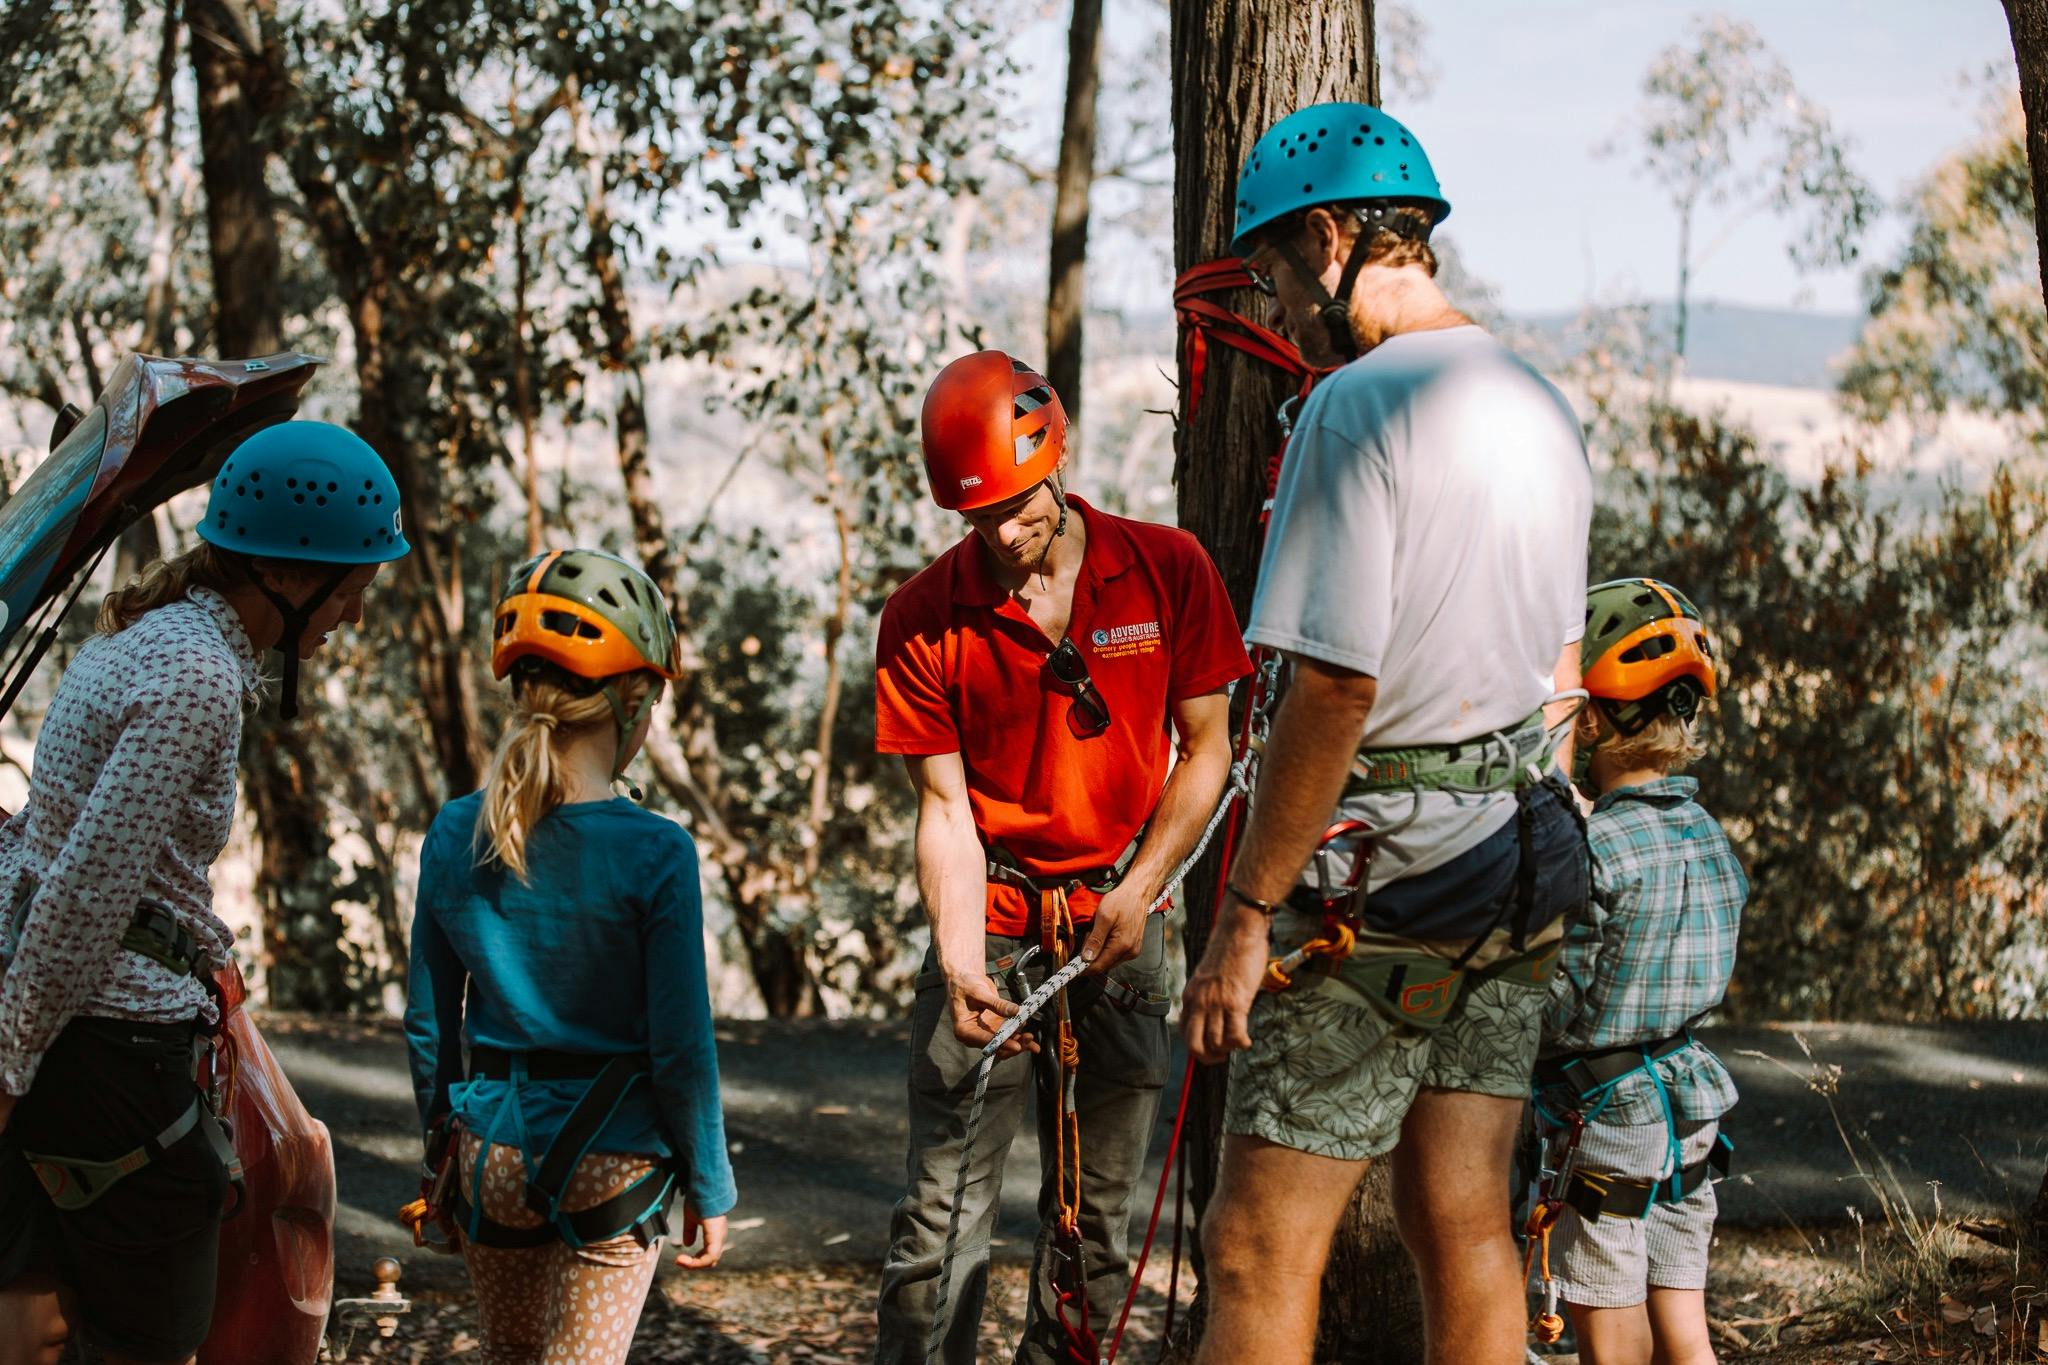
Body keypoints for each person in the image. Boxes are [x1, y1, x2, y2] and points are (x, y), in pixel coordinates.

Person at [1178, 103, 1594, 1365]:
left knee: (1252, 1247)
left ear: (1329, 236)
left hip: (1387, 877)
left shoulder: (1355, 409)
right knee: (1459, 1214)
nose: (1280, 313)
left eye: (1275, 277)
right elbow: (1559, 670)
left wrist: (1243, 923)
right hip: (1520, 857)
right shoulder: (1536, 404)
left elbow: (1333, 692)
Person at [870, 351, 1249, 1364]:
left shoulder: (1165, 569)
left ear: (1057, 457)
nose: (999, 533)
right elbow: (943, 810)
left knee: (1096, 1236)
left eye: (1013, 507)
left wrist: (1140, 888)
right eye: (973, 515)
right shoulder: (921, 620)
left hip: (1123, 933)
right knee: (933, 1234)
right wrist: (957, 963)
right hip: (991, 930)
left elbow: (1205, 746)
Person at [0, 421, 407, 1365]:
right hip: (113, 1050)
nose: (351, 613)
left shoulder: (145, 635)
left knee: (30, 1307)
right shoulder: (196, 675)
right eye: (352, 588)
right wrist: (8, 1063)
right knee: (157, 1337)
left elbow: (48, 849)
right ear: (293, 576)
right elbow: (88, 890)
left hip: (61, 1026)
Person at [405, 547, 735, 1365]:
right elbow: (681, 1048)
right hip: (613, 1156)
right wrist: (711, 1183)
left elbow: (427, 1022)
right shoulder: (656, 851)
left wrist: (441, 1150)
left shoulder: (456, 831)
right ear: (630, 699)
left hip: (493, 1149)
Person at [1534, 577, 1745, 1365]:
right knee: (1684, 1322)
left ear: (1590, 717)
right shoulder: (1709, 837)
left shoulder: (1596, 850)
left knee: (1608, 1305)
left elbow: (1565, 1006)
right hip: (1692, 1100)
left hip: (1607, 1113)